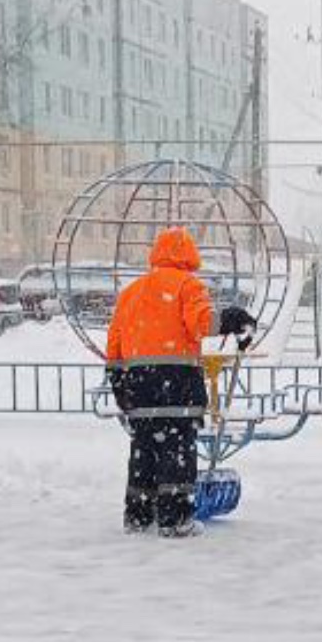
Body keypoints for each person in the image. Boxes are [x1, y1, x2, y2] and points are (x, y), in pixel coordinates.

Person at [104, 228, 255, 536]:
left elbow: (115, 343)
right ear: (189, 255)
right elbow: (202, 323)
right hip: (177, 385)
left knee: (143, 451)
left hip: (139, 385)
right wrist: (232, 319)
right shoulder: (188, 285)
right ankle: (175, 520)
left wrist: (119, 381)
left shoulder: (131, 292)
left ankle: (139, 516)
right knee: (177, 451)